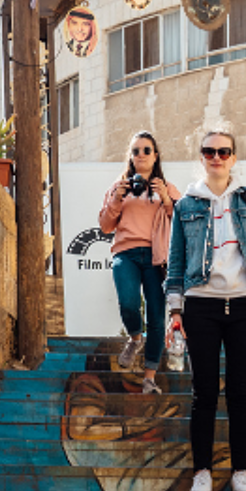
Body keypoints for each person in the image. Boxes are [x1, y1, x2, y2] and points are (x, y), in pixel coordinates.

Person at [165, 130, 246, 491]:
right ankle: (202, 472)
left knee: (240, 393)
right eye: (209, 151)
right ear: (201, 156)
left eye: (224, 151)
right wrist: (175, 309)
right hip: (201, 304)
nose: (216, 157)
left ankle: (240, 473)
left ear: (233, 157)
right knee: (203, 393)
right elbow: (175, 260)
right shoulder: (185, 205)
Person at [99, 132, 179, 391]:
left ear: (155, 156)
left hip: (157, 257)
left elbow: (181, 223)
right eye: (136, 151)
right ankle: (135, 338)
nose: (141, 155)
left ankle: (149, 378)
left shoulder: (167, 187)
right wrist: (116, 199)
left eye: (146, 150)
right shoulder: (118, 186)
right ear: (130, 157)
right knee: (128, 302)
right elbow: (105, 226)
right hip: (126, 253)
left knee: (156, 317)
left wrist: (165, 198)